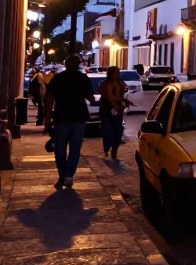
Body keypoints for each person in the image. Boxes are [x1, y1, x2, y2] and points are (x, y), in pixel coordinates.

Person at [42, 56, 97, 189]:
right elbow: (91, 98)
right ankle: (69, 175)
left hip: (62, 117)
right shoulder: (83, 79)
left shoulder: (58, 79)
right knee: (75, 149)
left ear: (66, 65)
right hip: (78, 117)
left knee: (60, 149)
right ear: (78, 65)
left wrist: (47, 118)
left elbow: (49, 98)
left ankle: (63, 175)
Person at [98, 65, 130, 159]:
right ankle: (107, 147)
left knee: (118, 131)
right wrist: (114, 103)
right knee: (107, 131)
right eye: (113, 73)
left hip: (118, 110)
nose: (115, 75)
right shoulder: (104, 84)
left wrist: (122, 103)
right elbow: (104, 94)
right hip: (106, 109)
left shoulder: (121, 83)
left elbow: (124, 94)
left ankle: (114, 150)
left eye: (117, 73)